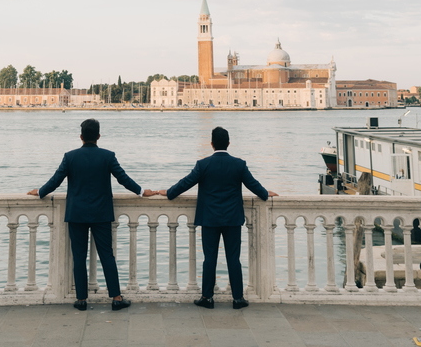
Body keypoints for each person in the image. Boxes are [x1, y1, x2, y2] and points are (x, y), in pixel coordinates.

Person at [28, 118, 155, 310]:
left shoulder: (70, 157)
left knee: (79, 257)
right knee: (107, 256)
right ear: (98, 136)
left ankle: (81, 300)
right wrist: (141, 191)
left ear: (81, 137)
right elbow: (123, 179)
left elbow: (55, 181)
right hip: (101, 213)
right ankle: (116, 298)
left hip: (76, 214)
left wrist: (39, 192)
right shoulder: (108, 156)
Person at [152, 126, 277, 309]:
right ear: (228, 143)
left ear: (211, 144)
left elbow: (185, 183)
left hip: (210, 219)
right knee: (233, 259)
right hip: (232, 219)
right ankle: (238, 299)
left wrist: (168, 193)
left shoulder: (203, 165)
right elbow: (253, 185)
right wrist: (266, 194)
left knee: (209, 258)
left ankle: (207, 298)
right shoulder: (239, 164)